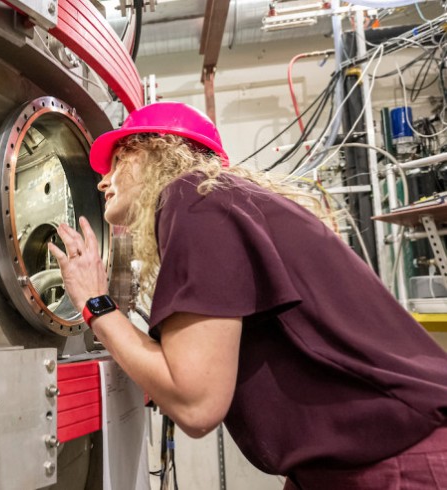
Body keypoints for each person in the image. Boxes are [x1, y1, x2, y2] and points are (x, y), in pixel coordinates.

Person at [47, 101, 447, 489]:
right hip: (368, 454)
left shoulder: (192, 198)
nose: (102, 180)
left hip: (400, 459)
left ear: (155, 151)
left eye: (118, 160)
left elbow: (195, 403)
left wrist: (95, 302)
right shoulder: (228, 202)